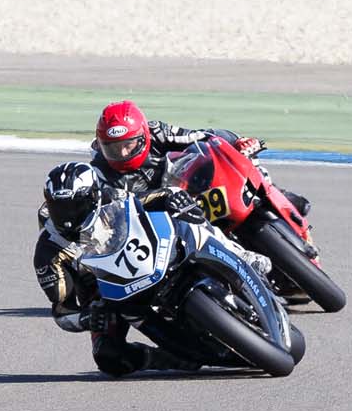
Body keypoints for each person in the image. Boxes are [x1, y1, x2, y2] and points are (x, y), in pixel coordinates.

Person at [32, 160, 268, 376]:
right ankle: (166, 358)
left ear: (92, 197)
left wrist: (173, 199)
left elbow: (146, 199)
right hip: (109, 297)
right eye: (59, 208)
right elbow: (62, 312)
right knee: (109, 358)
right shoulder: (48, 254)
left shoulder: (109, 196)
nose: (67, 217)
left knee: (188, 219)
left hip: (148, 256)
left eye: (75, 206)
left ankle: (240, 255)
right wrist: (87, 318)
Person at [89, 99, 311, 217]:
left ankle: (279, 197)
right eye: (114, 149)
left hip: (193, 188)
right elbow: (112, 207)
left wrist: (238, 142)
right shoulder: (100, 170)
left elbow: (205, 136)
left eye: (128, 145)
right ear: (102, 145)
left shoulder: (157, 132)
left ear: (143, 135)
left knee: (240, 165)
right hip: (161, 215)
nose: (123, 154)